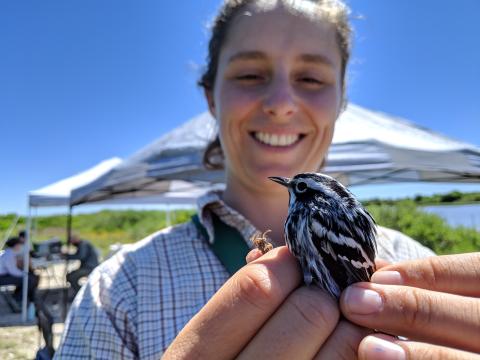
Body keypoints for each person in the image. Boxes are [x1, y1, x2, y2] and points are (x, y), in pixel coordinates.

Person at [56, 1, 480, 358]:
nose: (280, 104)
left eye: (310, 78)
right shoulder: (119, 291)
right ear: (209, 96)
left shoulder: (412, 263)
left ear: (342, 100)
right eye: (250, 75)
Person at [0, 237, 39, 306]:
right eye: (20, 245)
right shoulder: (9, 255)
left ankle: (19, 297)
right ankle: (18, 299)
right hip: (2, 278)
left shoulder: (8, 252)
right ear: (16, 245)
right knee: (29, 279)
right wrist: (24, 274)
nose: (21, 247)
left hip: (4, 276)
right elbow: (13, 271)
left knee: (29, 278)